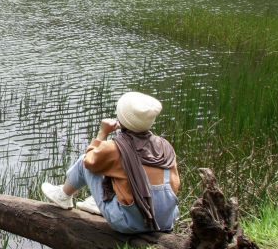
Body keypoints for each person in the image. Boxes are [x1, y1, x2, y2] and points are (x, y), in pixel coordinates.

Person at [41, 92, 179, 233]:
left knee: (84, 162)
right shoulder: (165, 146)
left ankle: (63, 195)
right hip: (166, 221)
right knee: (120, 171)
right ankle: (96, 203)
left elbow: (89, 162)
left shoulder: (114, 147)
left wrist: (102, 132)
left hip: (129, 223)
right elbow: (174, 184)